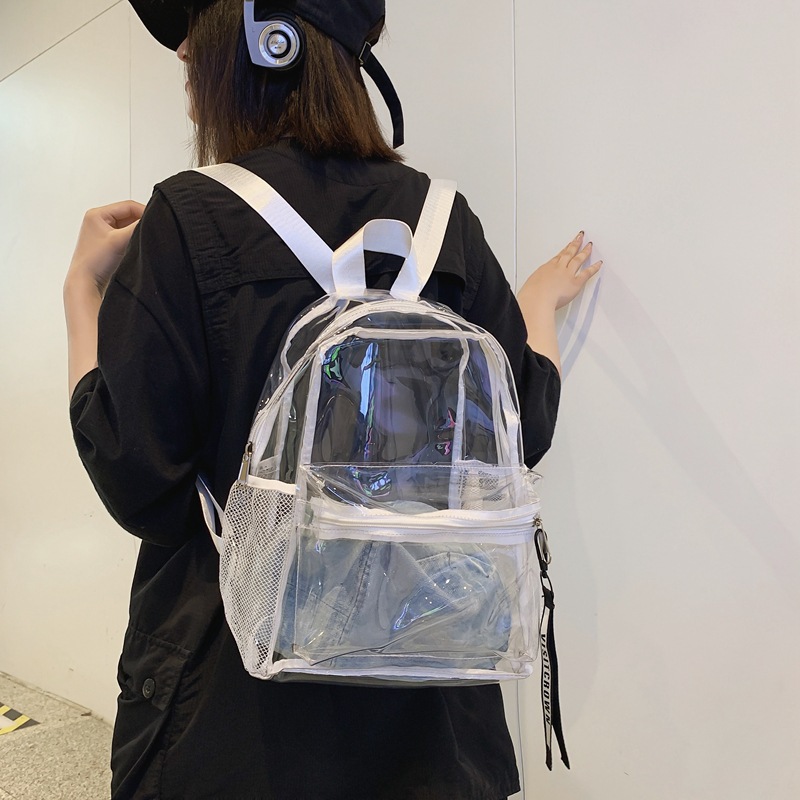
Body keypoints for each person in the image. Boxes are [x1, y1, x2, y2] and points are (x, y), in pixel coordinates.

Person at [64, 1, 602, 798]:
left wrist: (82, 294)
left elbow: (135, 473)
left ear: (270, 41)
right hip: (430, 722)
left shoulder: (187, 216)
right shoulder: (444, 224)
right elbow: (523, 426)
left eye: (198, 34)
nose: (183, 59)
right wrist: (534, 306)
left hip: (232, 718)